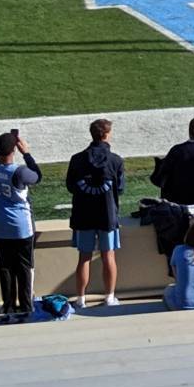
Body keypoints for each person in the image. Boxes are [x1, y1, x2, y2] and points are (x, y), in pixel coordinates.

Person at [66, 118, 126, 308]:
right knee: (108, 256)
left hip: (83, 214)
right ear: (107, 134)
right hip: (107, 214)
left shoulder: (77, 159)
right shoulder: (116, 160)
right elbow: (121, 188)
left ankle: (81, 299)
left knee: (84, 257)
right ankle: (109, 297)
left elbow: (70, 186)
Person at [0, 130, 41, 319]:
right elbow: (37, 176)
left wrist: (6, 145)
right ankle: (26, 306)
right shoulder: (19, 171)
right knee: (24, 268)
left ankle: (8, 305)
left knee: (5, 267)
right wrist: (26, 153)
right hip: (21, 227)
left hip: (0, 226)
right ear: (14, 150)